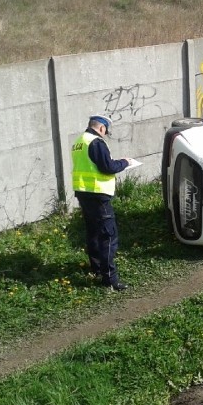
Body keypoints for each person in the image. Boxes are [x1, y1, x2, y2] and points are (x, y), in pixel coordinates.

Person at [71, 115, 132, 291]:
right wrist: (125, 162)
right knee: (108, 235)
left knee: (93, 232)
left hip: (83, 193)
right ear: (102, 128)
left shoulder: (79, 141)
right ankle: (110, 279)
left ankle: (97, 269)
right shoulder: (96, 142)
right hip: (98, 194)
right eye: (106, 131)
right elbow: (108, 167)